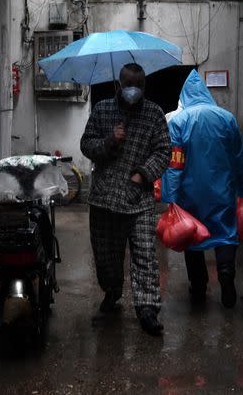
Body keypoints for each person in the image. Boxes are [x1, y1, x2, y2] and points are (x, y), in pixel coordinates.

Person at [80, 63, 171, 335]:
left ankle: (147, 308)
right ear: (119, 85)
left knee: (145, 255)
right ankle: (112, 291)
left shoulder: (154, 115)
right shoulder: (102, 110)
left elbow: (164, 151)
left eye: (139, 85)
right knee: (106, 258)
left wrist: (143, 175)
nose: (134, 90)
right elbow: (86, 144)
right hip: (104, 200)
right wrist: (109, 141)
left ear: (144, 87)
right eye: (129, 84)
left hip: (138, 200)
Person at [161, 70, 243, 308]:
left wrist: (169, 196)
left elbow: (175, 163)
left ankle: (199, 287)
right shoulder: (226, 118)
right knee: (225, 233)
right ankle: (225, 274)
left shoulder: (179, 123)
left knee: (192, 237)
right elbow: (238, 157)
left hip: (190, 193)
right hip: (222, 191)